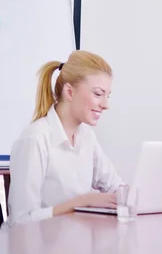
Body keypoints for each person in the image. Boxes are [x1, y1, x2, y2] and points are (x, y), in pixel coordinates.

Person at [7, 50, 124, 226]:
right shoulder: (35, 139)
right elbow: (20, 220)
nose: (106, 105)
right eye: (98, 94)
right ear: (69, 92)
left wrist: (136, 197)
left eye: (108, 96)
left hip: (78, 247)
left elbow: (115, 186)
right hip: (41, 251)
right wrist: (80, 203)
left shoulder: (86, 136)